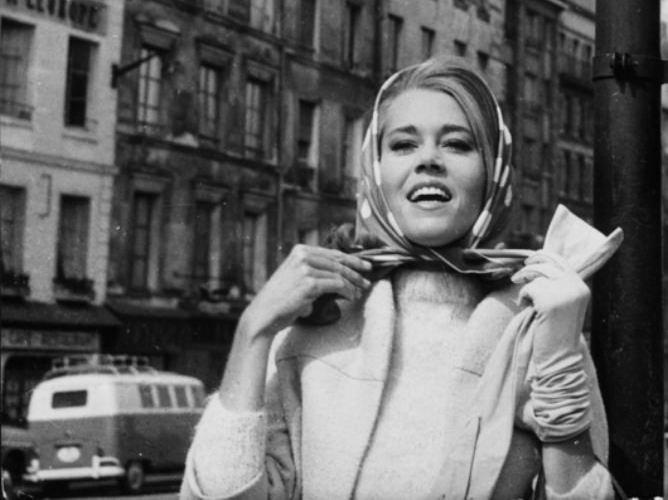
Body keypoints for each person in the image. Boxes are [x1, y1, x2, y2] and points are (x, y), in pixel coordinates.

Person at [180, 56, 623, 500]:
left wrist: (559, 361)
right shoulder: (314, 324)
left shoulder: (537, 320)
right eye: (403, 145)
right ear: (376, 169)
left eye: (458, 144)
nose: (428, 159)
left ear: (494, 172)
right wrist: (254, 329)